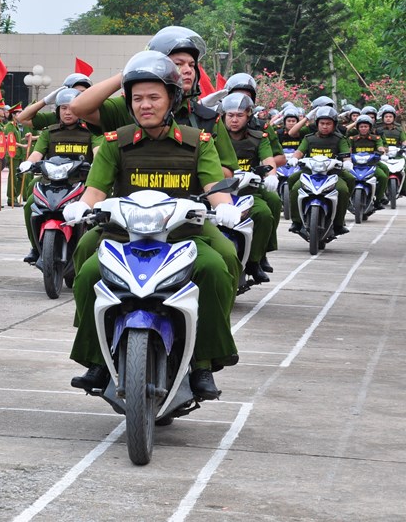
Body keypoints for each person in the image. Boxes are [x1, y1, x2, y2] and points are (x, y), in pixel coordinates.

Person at [62, 51, 241, 399]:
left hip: (181, 235)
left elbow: (213, 188)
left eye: (154, 97)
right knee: (86, 274)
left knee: (217, 268)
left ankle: (203, 362)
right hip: (124, 234)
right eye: (137, 98)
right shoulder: (117, 143)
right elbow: (95, 190)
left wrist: (226, 208)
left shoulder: (196, 143)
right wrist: (80, 207)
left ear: (172, 99)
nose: (145, 105)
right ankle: (97, 358)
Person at [18, 87, 96, 264]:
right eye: (63, 108)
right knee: (30, 204)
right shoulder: (49, 132)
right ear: (58, 110)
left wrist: (97, 164)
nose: (68, 112)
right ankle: (36, 247)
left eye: (71, 108)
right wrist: (28, 164)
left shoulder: (90, 132)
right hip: (52, 184)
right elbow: (36, 155)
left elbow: (98, 152)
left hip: (80, 184)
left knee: (96, 211)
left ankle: (94, 249)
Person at [219, 92, 277, 286]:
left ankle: (254, 261)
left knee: (264, 214)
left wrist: (272, 175)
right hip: (219, 192)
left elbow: (268, 159)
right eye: (230, 115)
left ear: (248, 116)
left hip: (248, 191)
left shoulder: (258, 137)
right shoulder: (213, 137)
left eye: (239, 115)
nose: (234, 120)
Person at [287, 106, 351, 236]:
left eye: (328, 124)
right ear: (317, 124)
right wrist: (294, 158)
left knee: (344, 187)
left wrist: (347, 162)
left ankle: (339, 223)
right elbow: (300, 151)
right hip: (309, 172)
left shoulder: (340, 139)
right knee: (294, 185)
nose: (325, 126)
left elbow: (346, 155)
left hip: (333, 173)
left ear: (334, 125)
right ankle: (297, 221)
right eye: (322, 123)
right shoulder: (309, 138)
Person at [347, 115, 389, 206]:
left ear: (369, 127)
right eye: (361, 127)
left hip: (372, 164)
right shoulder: (352, 139)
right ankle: (348, 199)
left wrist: (382, 152)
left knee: (382, 176)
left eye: (366, 126)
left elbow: (380, 147)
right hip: (355, 165)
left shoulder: (376, 138)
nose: (363, 129)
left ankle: (379, 198)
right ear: (357, 128)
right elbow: (348, 150)